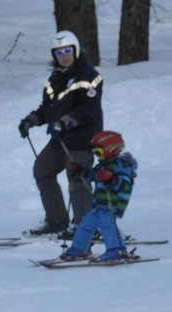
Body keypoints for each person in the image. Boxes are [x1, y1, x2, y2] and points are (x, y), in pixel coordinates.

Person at [16, 30, 105, 237]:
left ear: (75, 50)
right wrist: (31, 120)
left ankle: (85, 226)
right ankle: (57, 220)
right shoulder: (55, 78)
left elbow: (88, 111)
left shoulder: (90, 76)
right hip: (61, 139)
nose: (63, 56)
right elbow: (48, 108)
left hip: (81, 139)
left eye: (67, 51)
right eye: (58, 52)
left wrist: (63, 123)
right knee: (42, 170)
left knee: (77, 178)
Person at [60, 130, 137, 263]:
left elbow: (125, 184)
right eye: (95, 153)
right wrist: (81, 170)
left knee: (107, 225)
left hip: (112, 204)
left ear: (111, 150)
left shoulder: (122, 166)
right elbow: (93, 175)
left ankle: (117, 250)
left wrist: (112, 178)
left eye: (98, 153)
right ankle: (79, 249)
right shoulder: (103, 165)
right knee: (86, 224)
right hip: (99, 205)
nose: (97, 156)